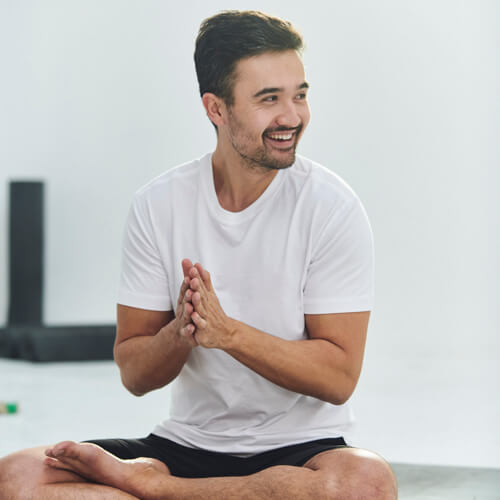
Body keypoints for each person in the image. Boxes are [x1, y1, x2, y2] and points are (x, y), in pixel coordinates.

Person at [0, 10, 397, 500]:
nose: (292, 117)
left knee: (364, 485)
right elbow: (135, 374)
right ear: (216, 109)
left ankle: (155, 490)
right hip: (185, 446)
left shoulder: (331, 207)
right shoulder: (159, 204)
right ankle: (177, 488)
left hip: (301, 449)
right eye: (269, 99)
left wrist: (229, 334)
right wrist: (180, 333)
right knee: (15, 477)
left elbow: (338, 378)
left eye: (299, 95)